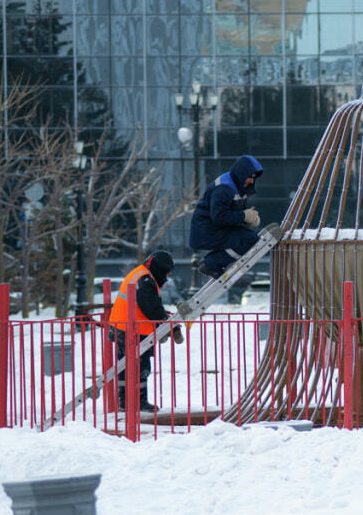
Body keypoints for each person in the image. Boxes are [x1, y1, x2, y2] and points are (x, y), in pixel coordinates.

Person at [108, 251, 183, 413]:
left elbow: (148, 305)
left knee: (126, 367)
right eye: (166, 272)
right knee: (138, 367)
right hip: (132, 329)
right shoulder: (146, 279)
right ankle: (136, 403)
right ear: (159, 269)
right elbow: (151, 308)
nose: (167, 276)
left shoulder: (141, 274)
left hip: (124, 326)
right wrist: (164, 323)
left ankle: (126, 403)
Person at [189, 154, 264, 280]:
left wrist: (249, 219)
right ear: (242, 173)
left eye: (254, 178)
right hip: (207, 231)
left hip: (212, 229)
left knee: (250, 237)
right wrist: (244, 216)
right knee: (249, 240)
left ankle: (213, 262)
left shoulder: (237, 186)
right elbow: (219, 216)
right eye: (250, 177)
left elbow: (232, 213)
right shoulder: (224, 188)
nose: (252, 181)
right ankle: (211, 263)